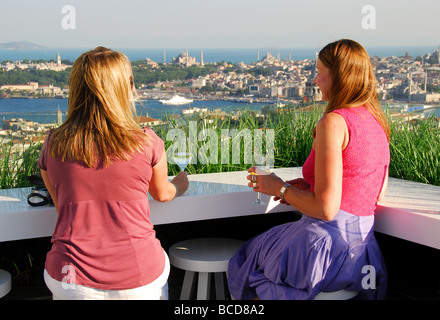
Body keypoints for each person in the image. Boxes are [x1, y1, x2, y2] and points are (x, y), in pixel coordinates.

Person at [228, 39, 390, 300]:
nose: (315, 80)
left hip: (324, 253)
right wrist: (305, 188)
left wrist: (278, 187)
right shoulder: (377, 122)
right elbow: (372, 192)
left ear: (338, 77)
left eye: (319, 72)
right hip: (362, 255)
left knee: (247, 258)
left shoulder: (333, 123)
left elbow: (326, 209)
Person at [38, 46, 189, 300]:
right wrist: (180, 185)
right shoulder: (146, 142)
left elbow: (61, 205)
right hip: (137, 277)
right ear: (127, 85)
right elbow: (162, 194)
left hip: (71, 278)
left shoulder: (53, 144)